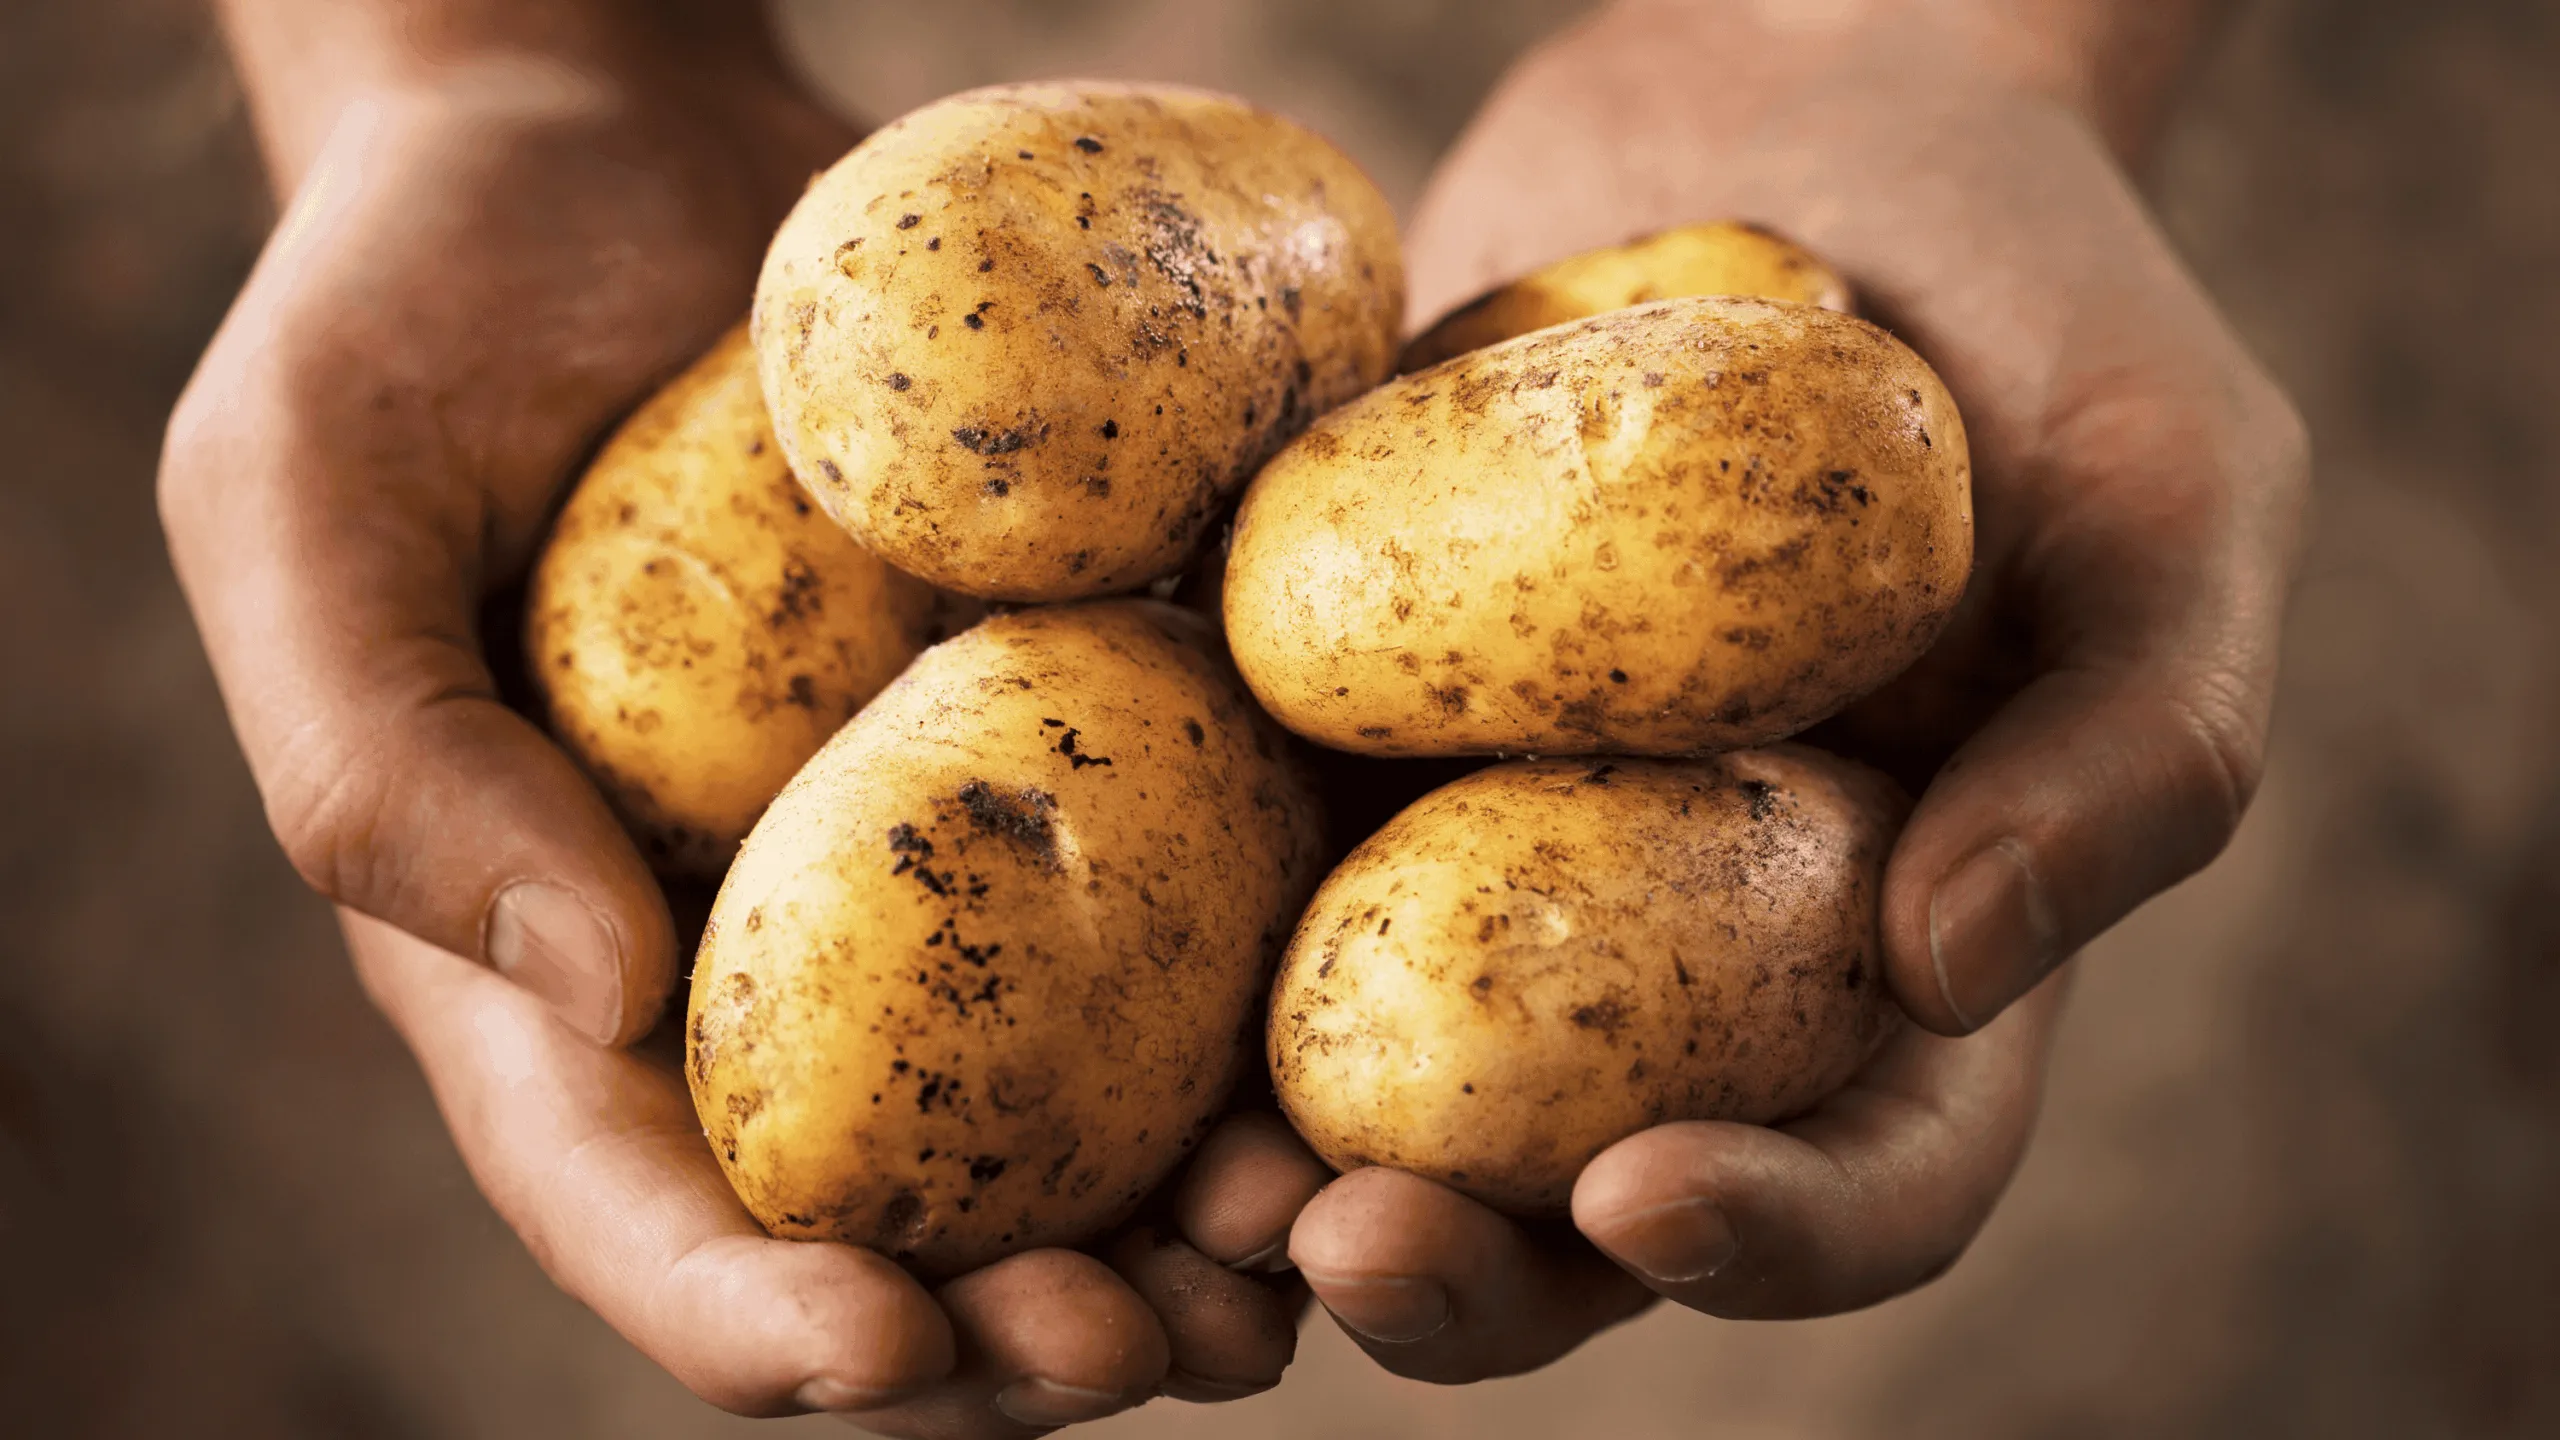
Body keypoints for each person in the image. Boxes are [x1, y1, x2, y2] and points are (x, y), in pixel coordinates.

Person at [159, 0, 2307, 1432]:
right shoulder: (1128, 536)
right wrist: (488, 46)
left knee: (1385, 997)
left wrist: (1916, 34)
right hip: (1158, 343)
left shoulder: (1311, 572)